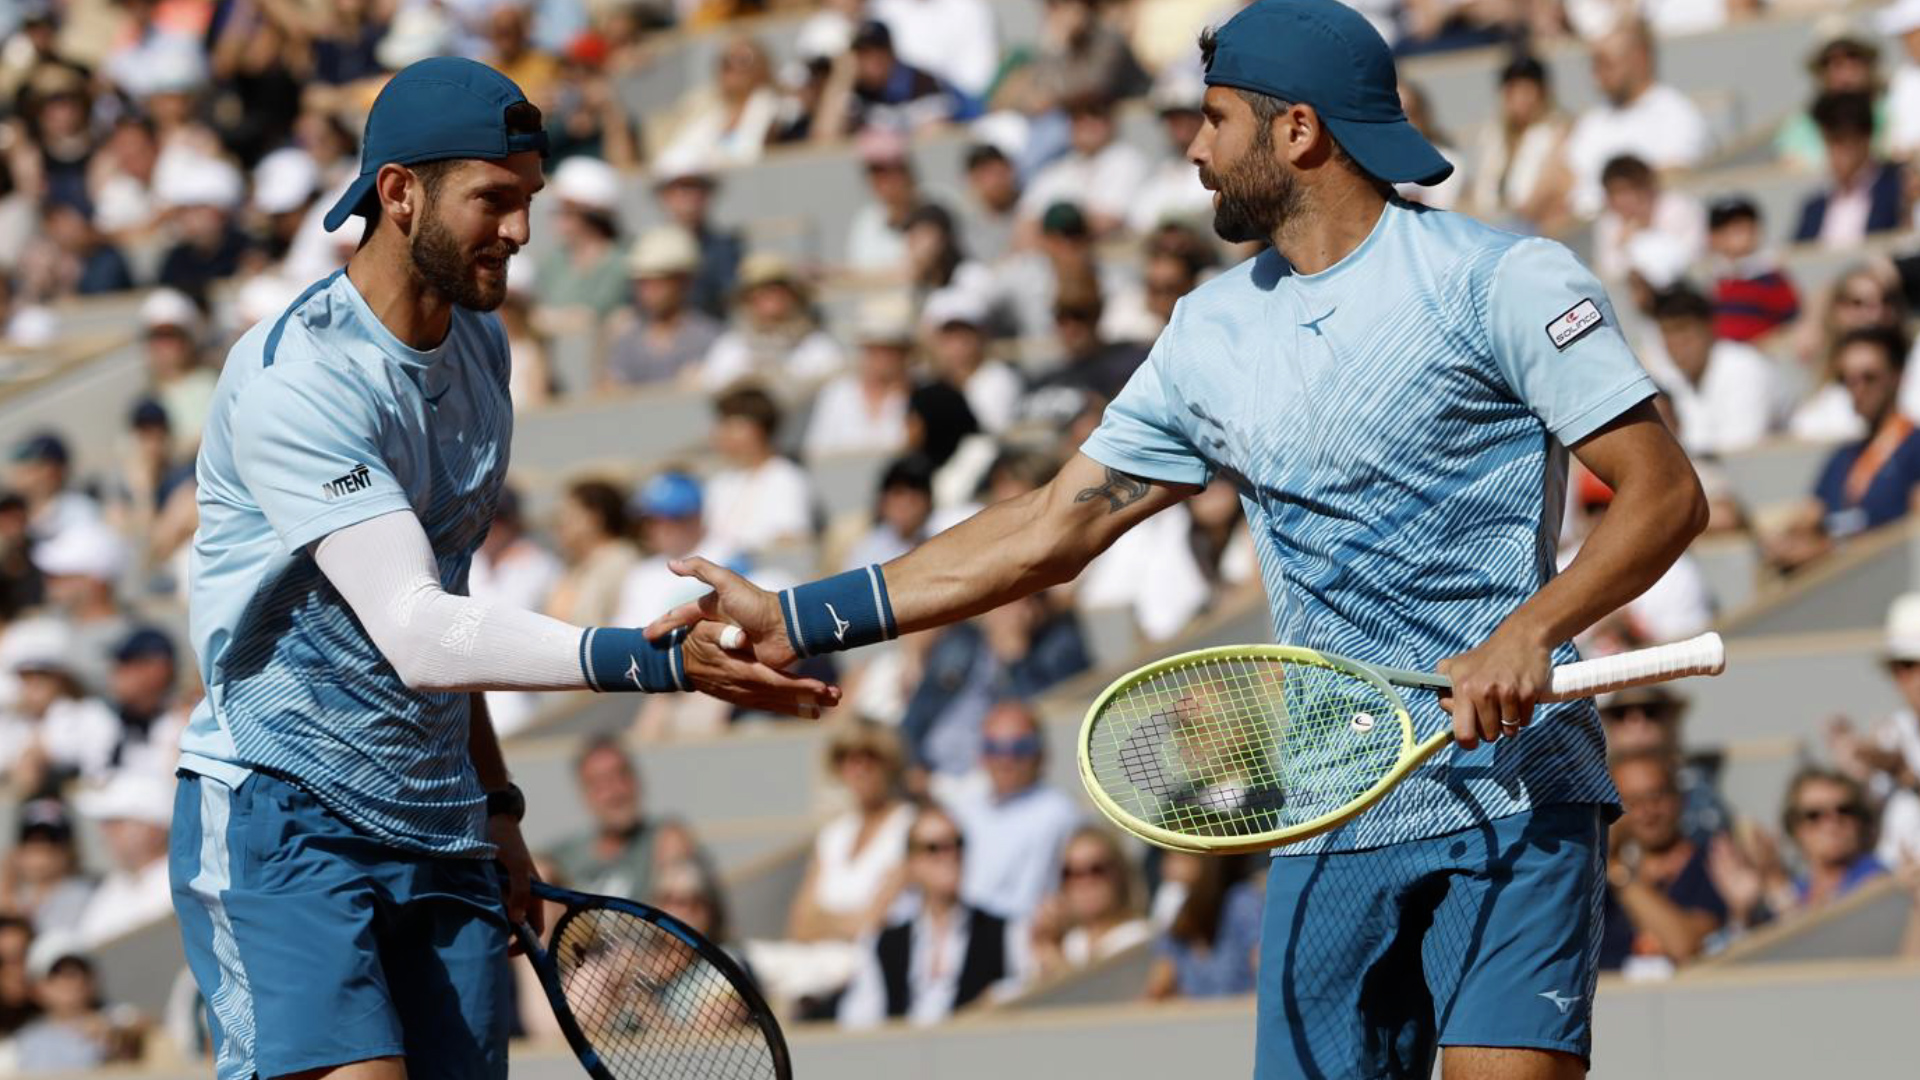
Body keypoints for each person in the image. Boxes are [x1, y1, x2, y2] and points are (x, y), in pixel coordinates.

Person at [653, 3, 1708, 1075]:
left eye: (1212, 121)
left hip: (1518, 789)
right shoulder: (1209, 332)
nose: (1194, 150)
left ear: (1298, 131)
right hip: (1328, 810)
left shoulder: (1501, 281)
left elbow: (1665, 495)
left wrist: (1533, 630)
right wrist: (800, 616)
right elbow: (1046, 529)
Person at [169, 58, 826, 1080]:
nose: (522, 231)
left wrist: (500, 809)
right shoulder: (298, 380)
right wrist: (658, 662)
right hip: (283, 811)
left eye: (530, 202)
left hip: (442, 827)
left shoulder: (481, 345)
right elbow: (419, 631)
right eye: (496, 199)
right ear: (400, 193)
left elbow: (452, 594)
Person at [836, 804, 1032, 1027]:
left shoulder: (1007, 932)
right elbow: (859, 1023)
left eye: (957, 844)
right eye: (934, 848)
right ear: (911, 864)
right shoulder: (882, 945)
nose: (950, 855)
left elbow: (1028, 998)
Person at [1768, 327, 1920, 571]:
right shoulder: (1843, 455)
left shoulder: (1914, 446)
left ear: (1897, 377)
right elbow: (1809, 515)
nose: (1858, 390)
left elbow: (1914, 536)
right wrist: (1782, 541)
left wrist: (1832, 550)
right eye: (1847, 380)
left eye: (1869, 377)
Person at [945, 701, 1083, 921]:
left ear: (1041, 754)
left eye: (1020, 748)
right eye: (994, 748)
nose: (1006, 759)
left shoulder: (1061, 813)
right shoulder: (964, 808)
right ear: (981, 754)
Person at [1561, 20, 1711, 219]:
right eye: (1594, 65)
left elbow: (1676, 174)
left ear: (1640, 59)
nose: (1597, 74)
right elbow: (1565, 178)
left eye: (1606, 63)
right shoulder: (1592, 120)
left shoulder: (1676, 112)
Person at [1600, 749, 1729, 977]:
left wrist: (1618, 872)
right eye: (1632, 802)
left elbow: (1685, 947)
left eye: (1656, 796)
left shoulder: (1713, 862)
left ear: (1679, 797)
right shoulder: (1595, 881)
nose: (1647, 812)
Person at [787, 722, 916, 943]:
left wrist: (822, 918)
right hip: (815, 960)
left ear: (889, 764)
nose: (859, 769)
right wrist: (848, 919)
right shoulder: (832, 834)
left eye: (870, 758)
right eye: (848, 759)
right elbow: (797, 926)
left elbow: (871, 924)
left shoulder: (909, 826)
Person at [1827, 591, 1920, 867]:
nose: (1906, 677)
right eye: (1899, 667)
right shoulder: (1893, 729)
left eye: (1913, 664)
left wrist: (1900, 770)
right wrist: (1854, 778)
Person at [546, 736, 700, 901]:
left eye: (622, 775)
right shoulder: (565, 856)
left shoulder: (663, 838)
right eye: (601, 783)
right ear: (585, 794)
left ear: (637, 780)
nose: (615, 791)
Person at [1646, 286, 1777, 457]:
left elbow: (1740, 448)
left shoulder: (1745, 367)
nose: (1677, 343)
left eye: (1683, 329)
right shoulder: (1668, 377)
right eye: (1667, 332)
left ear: (1709, 328)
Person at [601, 226, 727, 388]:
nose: (648, 291)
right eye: (642, 282)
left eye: (658, 281)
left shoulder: (713, 339)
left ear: (684, 281)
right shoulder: (626, 342)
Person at [700, 253, 845, 391]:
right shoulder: (730, 348)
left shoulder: (818, 347)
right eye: (760, 289)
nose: (770, 295)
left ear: (794, 295)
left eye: (778, 287)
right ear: (746, 299)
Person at [703, 386, 816, 555]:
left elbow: (790, 541)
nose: (721, 434)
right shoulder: (720, 482)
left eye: (731, 425)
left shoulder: (786, 477)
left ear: (758, 429)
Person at [1029, 826, 1153, 979]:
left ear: (1120, 873)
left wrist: (1054, 956)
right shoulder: (1072, 942)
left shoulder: (1139, 937)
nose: (1084, 881)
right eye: (1070, 872)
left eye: (1096, 869)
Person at [1020, 92, 1150, 239]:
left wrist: (1052, 230)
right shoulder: (1058, 168)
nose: (1086, 123)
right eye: (1077, 117)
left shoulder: (1126, 160)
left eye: (1094, 114)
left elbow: (1107, 221)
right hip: (1050, 253)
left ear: (1110, 122)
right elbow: (1025, 223)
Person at [1794, 91, 1906, 250]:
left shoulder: (1899, 190)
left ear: (1865, 139)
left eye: (1841, 140)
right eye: (1829, 142)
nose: (1835, 152)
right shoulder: (1813, 209)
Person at [1469, 54, 1570, 230]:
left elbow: (1546, 192)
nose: (1520, 97)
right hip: (1491, 226)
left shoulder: (1556, 131)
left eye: (1527, 89)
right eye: (1513, 89)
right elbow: (1479, 194)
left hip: (1529, 229)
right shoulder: (1493, 135)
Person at [73, 773, 175, 948]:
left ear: (154, 829)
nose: (104, 832)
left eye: (116, 823)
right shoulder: (113, 887)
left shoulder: (182, 888)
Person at [1141, 854, 1262, 1000]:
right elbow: (1156, 991)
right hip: (1200, 1021)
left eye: (1180, 858)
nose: (1167, 869)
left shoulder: (1241, 902)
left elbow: (1266, 977)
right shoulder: (1176, 914)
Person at [804, 304, 915, 460]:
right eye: (874, 350)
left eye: (890, 351)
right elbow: (816, 451)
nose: (882, 359)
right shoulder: (836, 394)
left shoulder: (918, 398)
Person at [1777, 768, 1888, 916]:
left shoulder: (1877, 879)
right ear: (1795, 827)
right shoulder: (1795, 892)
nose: (1832, 823)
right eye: (1814, 815)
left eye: (1845, 810)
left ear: (1860, 821)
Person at [532, 155, 629, 323]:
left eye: (567, 211)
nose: (557, 217)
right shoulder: (553, 261)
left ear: (592, 217)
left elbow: (599, 316)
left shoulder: (622, 262)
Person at [651, 162, 744, 319]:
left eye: (696, 189)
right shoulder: (648, 248)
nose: (690, 198)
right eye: (680, 190)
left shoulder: (727, 247)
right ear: (664, 197)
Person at [1593, 155, 1703, 285]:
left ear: (1647, 187)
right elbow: (1610, 272)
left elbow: (1692, 255)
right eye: (1615, 193)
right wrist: (1622, 244)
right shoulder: (1609, 223)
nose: (1622, 201)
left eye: (1627, 191)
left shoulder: (1678, 207)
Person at [543, 479, 640, 626]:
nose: (560, 524)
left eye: (568, 515)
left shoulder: (621, 562)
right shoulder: (575, 564)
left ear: (595, 518)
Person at [1704, 196, 1799, 345]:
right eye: (1725, 229)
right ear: (1713, 238)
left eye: (1741, 226)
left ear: (1756, 231)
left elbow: (1791, 321)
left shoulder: (1771, 278)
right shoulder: (1712, 283)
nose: (1734, 234)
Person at [0, 800, 95, 936]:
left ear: (67, 850)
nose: (40, 851)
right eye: (32, 842)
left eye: (49, 843)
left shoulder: (82, 894)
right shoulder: (18, 897)